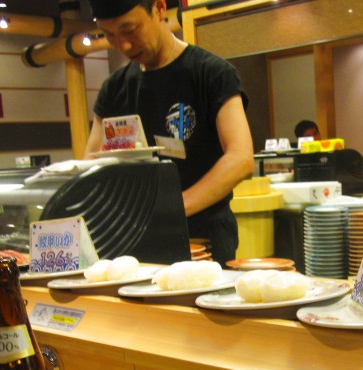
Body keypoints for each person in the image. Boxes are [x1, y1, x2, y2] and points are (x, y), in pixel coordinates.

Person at [84, 0, 254, 266]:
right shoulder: (114, 88)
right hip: (131, 239)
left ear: (160, 8)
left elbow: (240, 159)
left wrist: (171, 210)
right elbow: (91, 164)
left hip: (202, 235)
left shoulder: (211, 73)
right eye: (110, 35)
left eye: (130, 30)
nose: (123, 46)